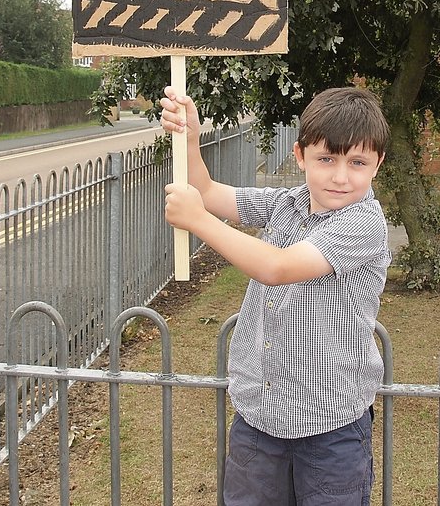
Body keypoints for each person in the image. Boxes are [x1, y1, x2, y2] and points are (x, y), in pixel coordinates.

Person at [160, 85, 391, 506]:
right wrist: (190, 138)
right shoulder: (287, 203)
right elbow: (209, 193)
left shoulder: (365, 223)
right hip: (260, 420)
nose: (340, 176)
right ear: (300, 156)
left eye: (357, 162)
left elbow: (276, 268)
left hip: (330, 427)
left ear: (377, 164)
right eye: (326, 159)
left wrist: (197, 222)